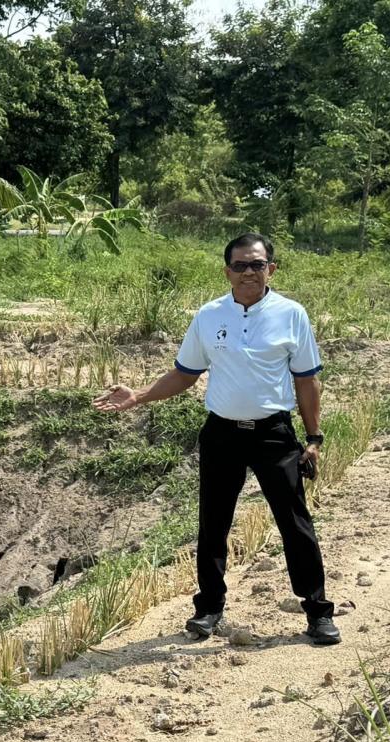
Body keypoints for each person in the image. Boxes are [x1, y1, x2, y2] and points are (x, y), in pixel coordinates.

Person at [93, 233, 340, 646]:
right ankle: (208, 608)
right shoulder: (209, 316)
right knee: (213, 524)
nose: (248, 272)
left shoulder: (291, 314)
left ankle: (317, 612)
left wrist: (312, 438)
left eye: (257, 264)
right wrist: (140, 396)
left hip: (274, 435)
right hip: (222, 433)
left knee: (295, 525)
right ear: (227, 271)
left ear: (271, 269)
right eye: (240, 265)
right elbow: (185, 374)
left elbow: (306, 381)